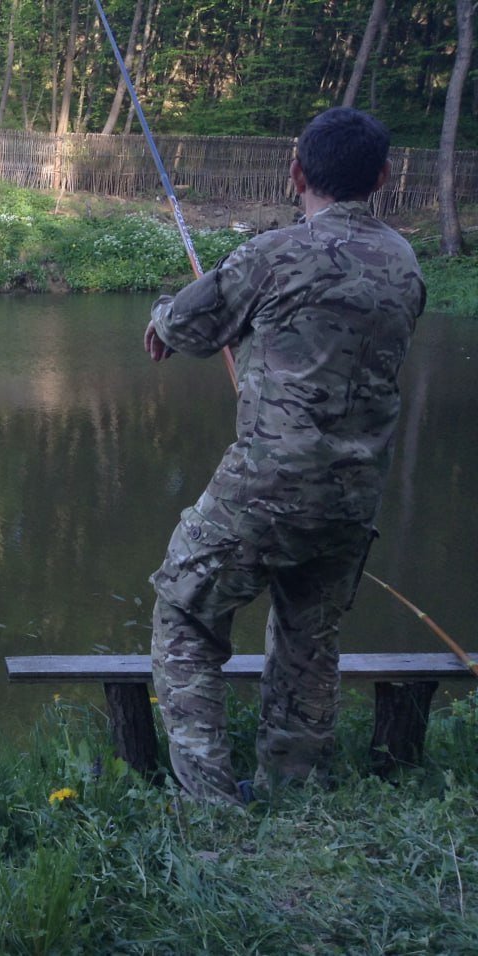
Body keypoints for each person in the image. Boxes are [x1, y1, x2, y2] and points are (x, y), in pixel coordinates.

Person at [143, 107, 426, 805]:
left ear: (296, 172)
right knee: (308, 644)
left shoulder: (273, 255)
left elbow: (187, 326)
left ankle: (211, 806)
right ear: (383, 178)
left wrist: (158, 318)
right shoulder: (404, 263)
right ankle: (294, 794)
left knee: (183, 610)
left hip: (267, 489)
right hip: (353, 499)